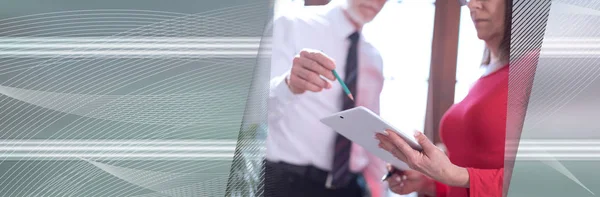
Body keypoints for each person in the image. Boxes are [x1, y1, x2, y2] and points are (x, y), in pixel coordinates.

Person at [374, 0, 511, 196]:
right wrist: (427, 180)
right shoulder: (485, 76)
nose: (473, 5)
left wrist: (453, 175)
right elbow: (470, 174)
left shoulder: (539, 70)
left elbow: (548, 182)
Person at [264, 0, 389, 197]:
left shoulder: (373, 57)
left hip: (350, 188)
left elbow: (371, 131)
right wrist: (288, 85)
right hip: (289, 183)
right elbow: (255, 109)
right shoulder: (292, 25)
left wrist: (381, 190)